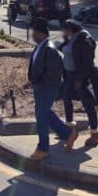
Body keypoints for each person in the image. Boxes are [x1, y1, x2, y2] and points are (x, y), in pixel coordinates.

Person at [26, 17, 75, 161]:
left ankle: (43, 149)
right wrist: (32, 81)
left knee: (41, 116)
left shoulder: (50, 48)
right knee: (46, 113)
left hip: (47, 89)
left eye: (34, 32)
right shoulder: (39, 46)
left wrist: (43, 85)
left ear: (41, 33)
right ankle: (68, 134)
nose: (32, 35)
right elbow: (37, 67)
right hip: (39, 87)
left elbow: (55, 73)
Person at [59, 19, 98, 150]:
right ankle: (70, 130)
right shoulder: (72, 39)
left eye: (65, 29)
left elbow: (87, 62)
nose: (63, 31)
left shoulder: (83, 39)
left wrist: (79, 79)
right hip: (70, 76)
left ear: (71, 29)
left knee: (88, 105)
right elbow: (65, 50)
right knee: (66, 98)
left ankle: (95, 134)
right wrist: (65, 40)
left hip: (81, 78)